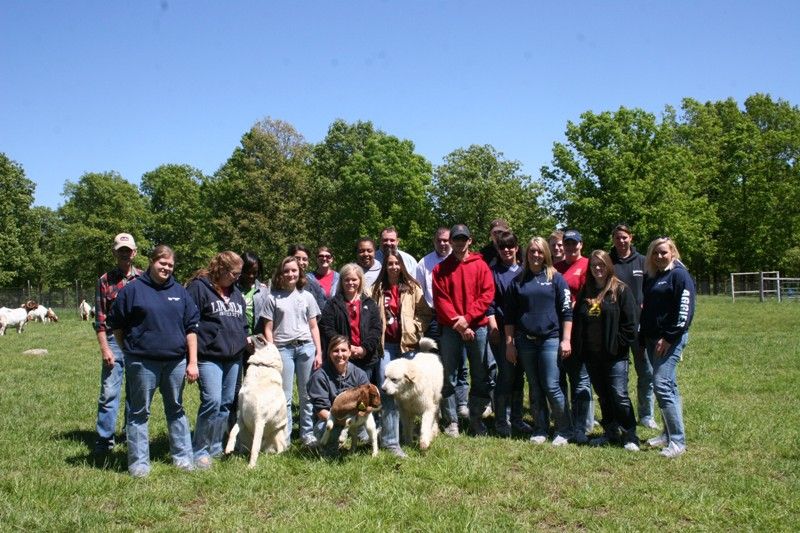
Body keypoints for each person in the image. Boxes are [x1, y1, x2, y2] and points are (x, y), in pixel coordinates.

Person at [108, 245, 200, 477]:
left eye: (170, 265)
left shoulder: (181, 292)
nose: (166, 268)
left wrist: (192, 361)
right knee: (139, 412)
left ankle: (183, 457)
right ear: (151, 262)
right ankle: (139, 463)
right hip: (142, 363)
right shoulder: (133, 290)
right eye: (162, 263)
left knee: (176, 409)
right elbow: (116, 325)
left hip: (175, 362)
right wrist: (129, 350)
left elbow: (191, 329)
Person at [504, 236, 574, 446]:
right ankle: (540, 428)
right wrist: (509, 343)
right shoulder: (518, 281)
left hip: (550, 340)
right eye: (532, 251)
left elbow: (567, 312)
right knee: (534, 387)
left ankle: (565, 429)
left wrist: (566, 340)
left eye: (539, 251)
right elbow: (509, 317)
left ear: (546, 253)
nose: (536, 255)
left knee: (551, 385)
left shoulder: (557, 278)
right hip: (525, 341)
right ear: (526, 254)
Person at [185, 251, 249, 469]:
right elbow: (189, 322)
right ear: (221, 269)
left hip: (233, 358)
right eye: (234, 273)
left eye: (238, 274)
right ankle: (199, 449)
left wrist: (245, 338)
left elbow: (242, 323)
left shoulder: (236, 293)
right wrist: (191, 359)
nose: (236, 277)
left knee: (225, 403)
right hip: (208, 356)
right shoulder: (199, 288)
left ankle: (215, 446)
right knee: (211, 401)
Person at [573, 250, 640, 451]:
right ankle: (610, 432)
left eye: (601, 264)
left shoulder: (620, 290)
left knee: (619, 395)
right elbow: (578, 321)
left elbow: (630, 325)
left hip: (615, 356)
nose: (598, 269)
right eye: (594, 265)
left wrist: (617, 345)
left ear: (609, 266)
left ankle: (630, 434)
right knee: (603, 395)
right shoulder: (587, 291)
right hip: (593, 356)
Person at [432, 224, 495, 437]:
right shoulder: (440, 270)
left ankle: (476, 419)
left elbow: (486, 295)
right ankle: (451, 421)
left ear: (470, 240)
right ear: (450, 241)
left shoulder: (481, 266)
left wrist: (467, 320)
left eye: (463, 239)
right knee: (449, 375)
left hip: (477, 327)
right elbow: (441, 301)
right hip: (450, 329)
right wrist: (459, 325)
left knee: (480, 373)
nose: (459, 242)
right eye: (455, 239)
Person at [371, 250, 432, 456]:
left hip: (407, 345)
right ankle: (391, 441)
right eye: (390, 264)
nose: (394, 267)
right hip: (385, 345)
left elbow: (425, 312)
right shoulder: (377, 289)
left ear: (402, 266)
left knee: (410, 390)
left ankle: (409, 431)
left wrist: (416, 327)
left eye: (397, 263)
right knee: (388, 390)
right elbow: (370, 312)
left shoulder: (412, 287)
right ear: (385, 267)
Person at [640, 237, 695, 458]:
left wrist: (669, 337)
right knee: (668, 386)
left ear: (673, 253)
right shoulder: (653, 276)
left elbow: (685, 311)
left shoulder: (679, 275)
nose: (660, 256)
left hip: (670, 340)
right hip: (653, 339)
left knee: (661, 384)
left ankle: (678, 442)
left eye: (664, 252)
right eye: (655, 253)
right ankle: (667, 434)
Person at [262, 256, 323, 448]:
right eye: (286, 271)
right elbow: (268, 329)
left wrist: (319, 352)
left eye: (294, 270)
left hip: (306, 347)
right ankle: (284, 437)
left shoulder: (307, 296)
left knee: (307, 395)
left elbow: (314, 327)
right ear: (280, 274)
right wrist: (272, 352)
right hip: (283, 350)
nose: (290, 274)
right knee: (285, 397)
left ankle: (307, 433)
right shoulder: (272, 298)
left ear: (300, 273)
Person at [92, 232, 142, 455]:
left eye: (128, 250)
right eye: (121, 251)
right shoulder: (105, 280)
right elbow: (100, 319)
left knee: (136, 392)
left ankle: (131, 436)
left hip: (138, 342)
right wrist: (105, 348)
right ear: (114, 252)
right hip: (113, 340)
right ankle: (104, 441)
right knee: (109, 393)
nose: (125, 254)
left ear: (135, 252)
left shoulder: (143, 278)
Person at [415, 227, 469, 419]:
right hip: (434, 318)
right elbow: (419, 291)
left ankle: (462, 404)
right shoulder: (424, 263)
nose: (443, 243)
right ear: (434, 241)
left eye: (446, 240)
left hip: (460, 318)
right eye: (440, 240)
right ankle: (437, 406)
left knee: (461, 363)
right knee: (437, 364)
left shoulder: (460, 260)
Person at [609, 224, 656, 429]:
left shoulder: (644, 262)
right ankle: (619, 414)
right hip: (616, 328)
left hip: (640, 328)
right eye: (617, 238)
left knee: (645, 372)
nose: (621, 241)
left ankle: (646, 414)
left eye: (624, 237)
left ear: (631, 238)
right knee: (618, 374)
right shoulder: (608, 262)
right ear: (613, 239)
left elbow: (653, 289)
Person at [487, 231, 532, 437]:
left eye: (510, 246)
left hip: (525, 331)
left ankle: (517, 418)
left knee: (519, 376)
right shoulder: (493, 272)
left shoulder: (525, 271)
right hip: (503, 330)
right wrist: (493, 326)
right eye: (502, 247)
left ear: (516, 248)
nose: (506, 250)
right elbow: (490, 303)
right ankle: (501, 420)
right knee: (506, 375)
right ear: (498, 249)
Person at [554, 229, 593, 439]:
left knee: (580, 380)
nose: (570, 247)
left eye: (574, 243)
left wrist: (576, 306)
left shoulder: (587, 265)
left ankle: (582, 425)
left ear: (581, 245)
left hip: (581, 331)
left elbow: (593, 294)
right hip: (558, 329)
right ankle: (564, 423)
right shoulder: (556, 268)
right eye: (567, 243)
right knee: (559, 379)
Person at [307, 335, 370, 456]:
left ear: (350, 352)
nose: (340, 354)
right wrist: (342, 421)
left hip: (355, 419)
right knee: (328, 436)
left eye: (344, 350)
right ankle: (329, 449)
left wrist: (357, 417)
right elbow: (321, 411)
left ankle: (363, 438)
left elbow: (366, 402)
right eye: (335, 350)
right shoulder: (319, 376)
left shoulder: (359, 374)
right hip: (328, 420)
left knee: (370, 435)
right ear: (329, 353)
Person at [318, 263, 383, 383]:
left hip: (366, 358)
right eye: (347, 280)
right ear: (341, 281)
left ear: (360, 280)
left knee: (364, 396)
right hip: (341, 358)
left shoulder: (370, 303)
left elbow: (376, 329)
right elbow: (327, 329)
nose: (350, 283)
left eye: (354, 279)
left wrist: (364, 349)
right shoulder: (332, 304)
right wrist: (347, 348)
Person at [287, 243, 327, 311]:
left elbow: (320, 310)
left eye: (304, 259)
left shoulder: (314, 286)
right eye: (297, 258)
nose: (301, 262)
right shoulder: (279, 283)